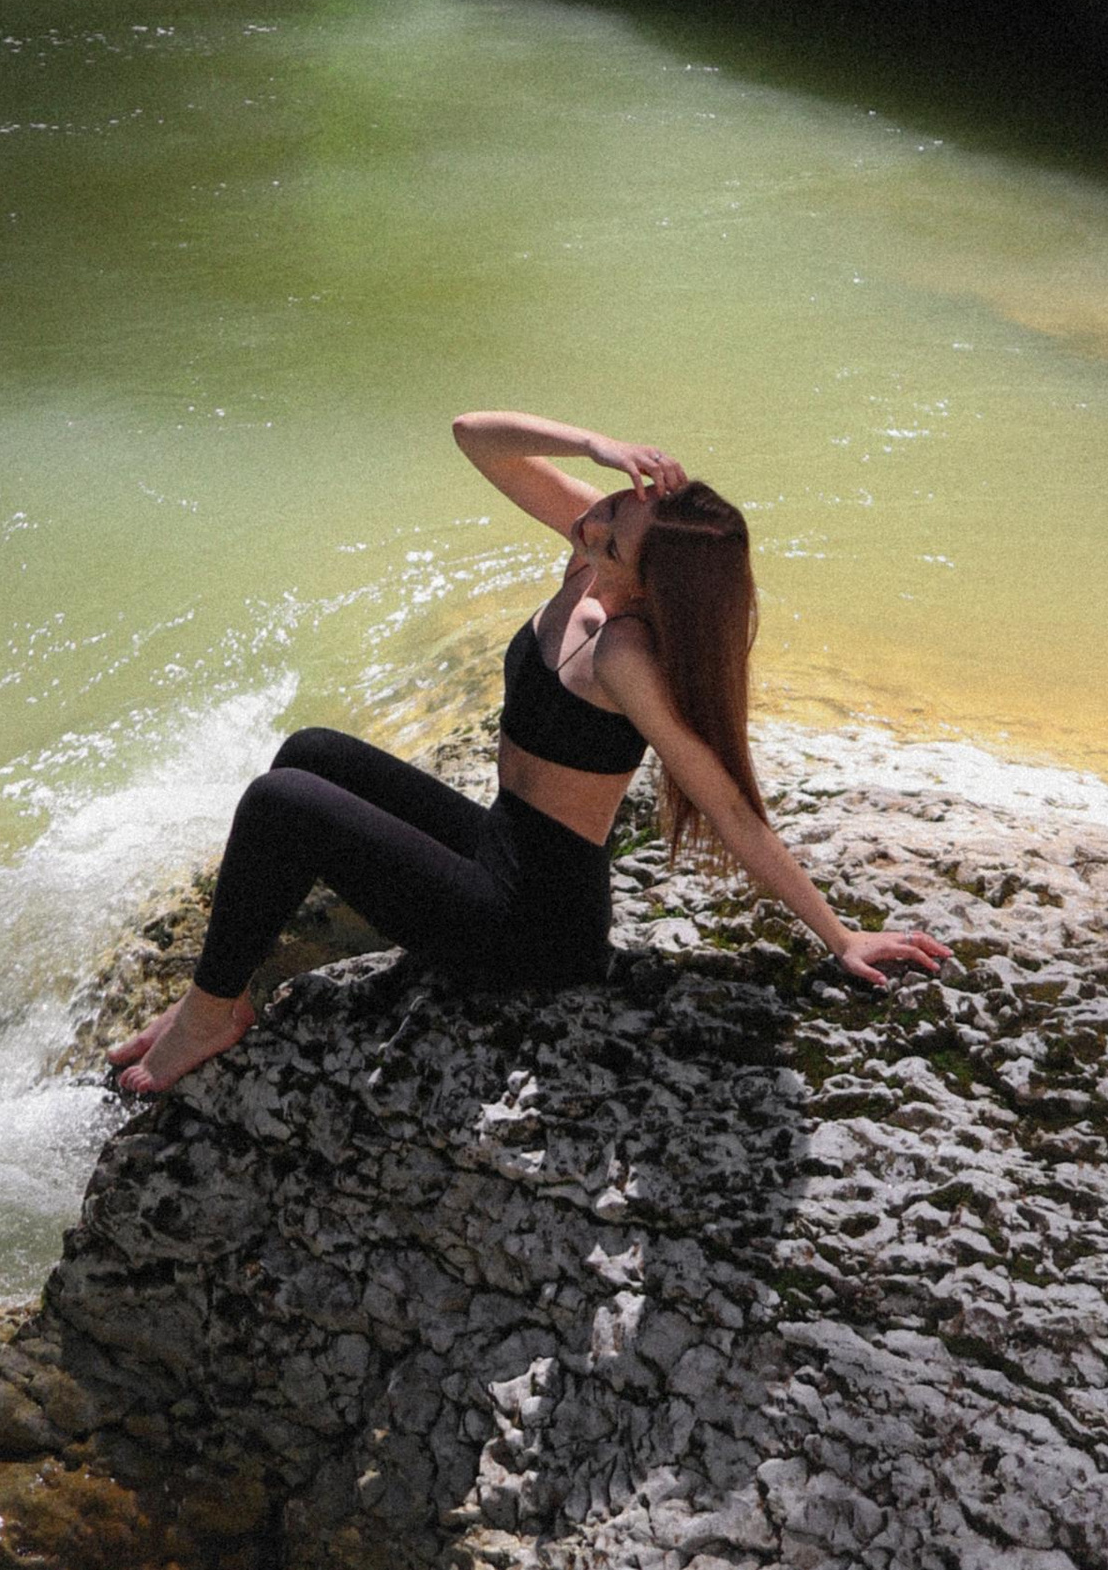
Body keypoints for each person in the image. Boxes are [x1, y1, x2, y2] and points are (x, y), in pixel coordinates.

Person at [109, 405, 952, 1094]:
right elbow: (474, 434)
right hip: (497, 844)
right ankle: (216, 989)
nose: (599, 517)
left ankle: (212, 1012)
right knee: (310, 752)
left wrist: (840, 939)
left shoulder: (626, 656)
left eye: (618, 530)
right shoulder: (593, 553)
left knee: (282, 805)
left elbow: (726, 802)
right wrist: (596, 443)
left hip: (533, 928)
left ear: (645, 584)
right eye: (617, 502)